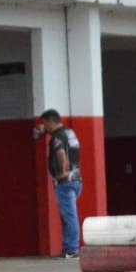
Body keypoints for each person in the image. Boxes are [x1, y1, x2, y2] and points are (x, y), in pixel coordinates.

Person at [39, 108, 82, 258]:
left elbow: (61, 152)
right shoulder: (69, 132)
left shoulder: (57, 136)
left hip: (65, 182)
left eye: (45, 124)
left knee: (69, 216)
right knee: (68, 215)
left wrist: (62, 171)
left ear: (50, 121)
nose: (45, 127)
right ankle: (68, 247)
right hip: (76, 179)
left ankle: (72, 249)